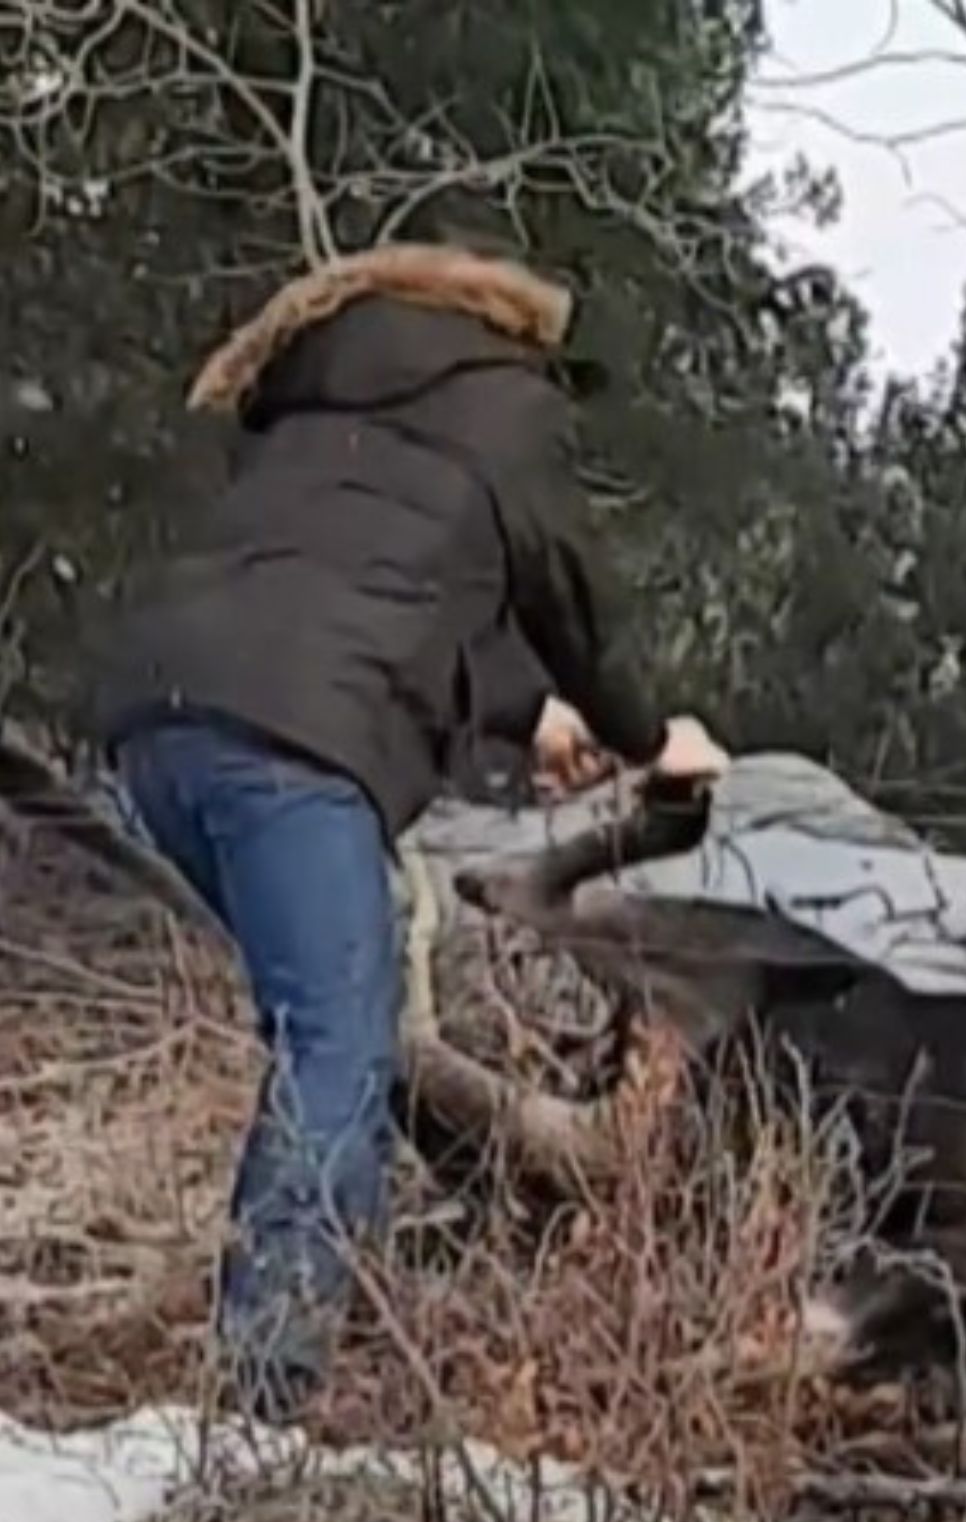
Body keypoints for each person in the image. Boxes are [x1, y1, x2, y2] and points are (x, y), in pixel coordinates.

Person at [88, 241, 729, 1422]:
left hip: (160, 732)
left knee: (333, 1012)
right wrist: (652, 739)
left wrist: (528, 714)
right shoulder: (504, 402)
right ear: (519, 331)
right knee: (340, 1044)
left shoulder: (328, 410)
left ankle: (324, 1294)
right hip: (293, 749)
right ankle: (265, 1389)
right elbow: (570, 596)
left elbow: (369, 598)